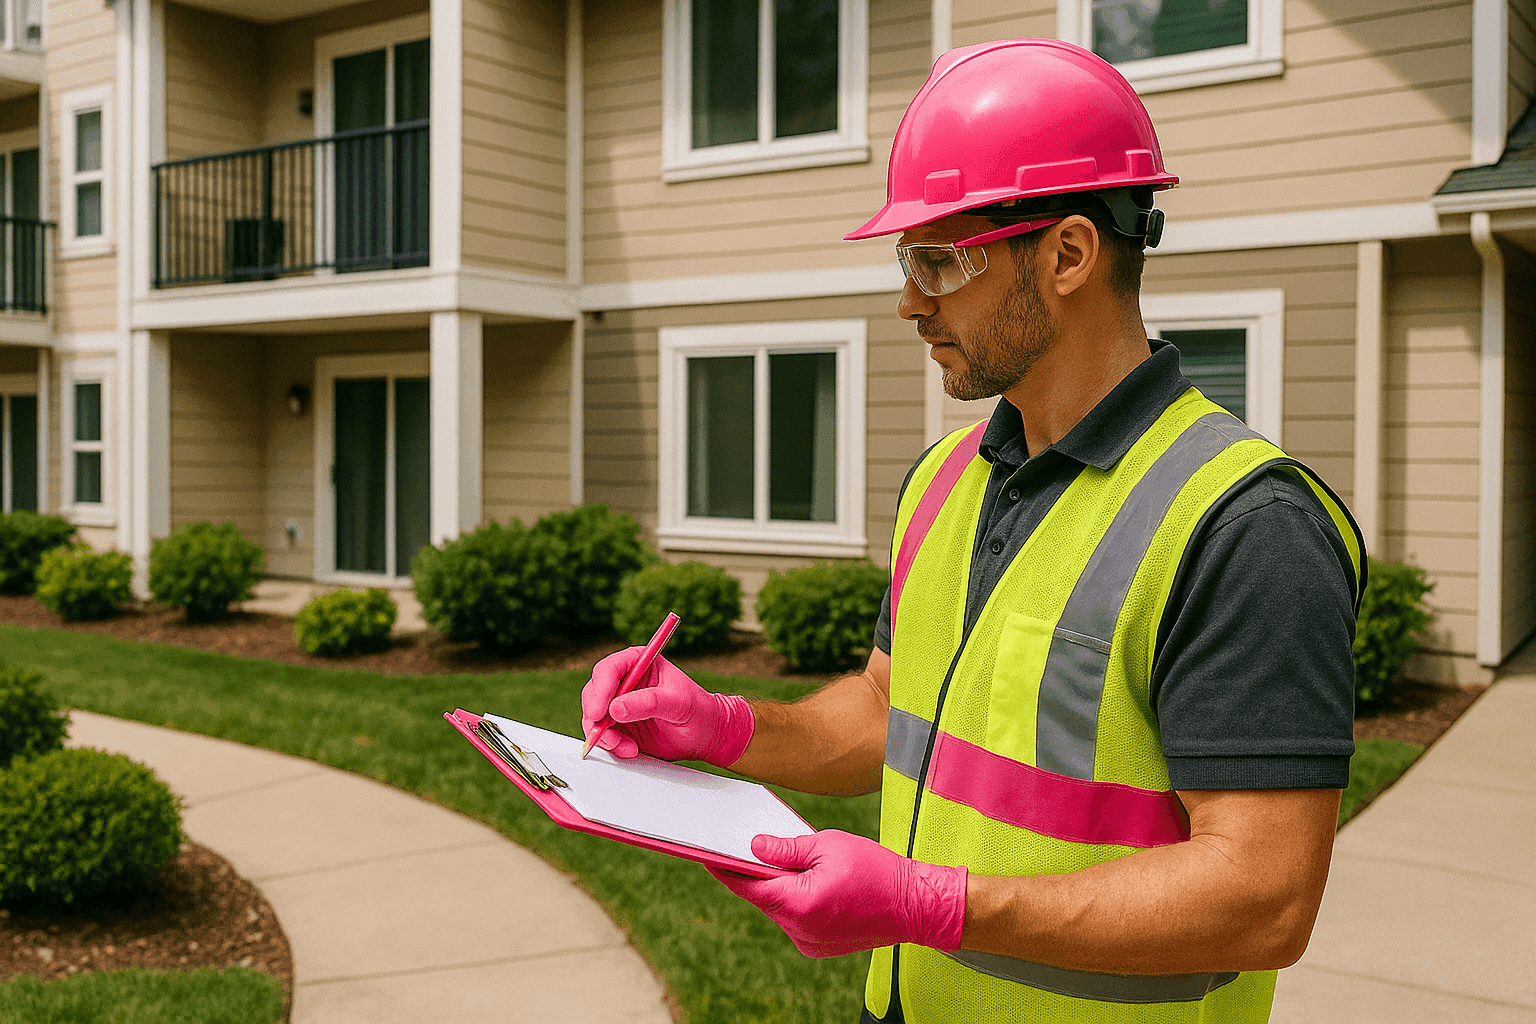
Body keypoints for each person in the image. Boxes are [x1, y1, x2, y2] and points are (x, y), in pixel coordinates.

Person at [581, 39, 1364, 1023]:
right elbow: (881, 708)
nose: (911, 301)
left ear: (1070, 252)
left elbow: (1264, 897)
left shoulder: (1245, 527)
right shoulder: (943, 483)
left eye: (939, 260)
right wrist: (723, 727)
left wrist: (929, 904)